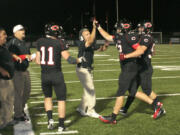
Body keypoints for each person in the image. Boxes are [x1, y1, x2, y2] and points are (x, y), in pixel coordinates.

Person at [95, 20, 163, 124]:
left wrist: (126, 56)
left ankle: (113, 117)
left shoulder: (130, 36)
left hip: (130, 67)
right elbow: (108, 37)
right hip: (128, 67)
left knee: (121, 91)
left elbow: (140, 50)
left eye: (118, 28)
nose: (117, 30)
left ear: (123, 28)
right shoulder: (119, 36)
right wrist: (98, 27)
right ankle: (156, 105)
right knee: (132, 91)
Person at [36, 23, 82, 132]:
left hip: (44, 75)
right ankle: (61, 125)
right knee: (61, 100)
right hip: (56, 75)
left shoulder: (39, 41)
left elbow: (38, 61)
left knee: (48, 97)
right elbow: (69, 59)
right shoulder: (59, 42)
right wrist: (79, 60)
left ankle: (50, 120)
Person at [119, 22, 165, 119]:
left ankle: (158, 107)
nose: (139, 29)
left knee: (146, 89)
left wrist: (126, 56)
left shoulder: (146, 37)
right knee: (132, 89)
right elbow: (153, 52)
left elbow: (141, 50)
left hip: (145, 68)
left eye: (141, 27)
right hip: (140, 67)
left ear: (146, 28)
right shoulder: (146, 37)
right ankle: (125, 108)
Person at [75, 20, 108, 118]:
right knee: (91, 90)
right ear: (82, 37)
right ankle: (90, 110)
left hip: (87, 69)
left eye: (89, 33)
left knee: (87, 90)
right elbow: (90, 41)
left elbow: (100, 49)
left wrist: (106, 45)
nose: (89, 35)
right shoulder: (82, 43)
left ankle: (81, 108)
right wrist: (94, 28)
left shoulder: (89, 43)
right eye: (86, 34)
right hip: (83, 69)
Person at [7, 24, 31, 122]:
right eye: (21, 30)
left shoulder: (24, 43)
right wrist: (22, 56)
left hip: (25, 70)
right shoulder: (12, 42)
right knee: (18, 94)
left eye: (23, 29)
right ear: (15, 32)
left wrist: (30, 57)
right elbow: (10, 54)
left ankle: (20, 110)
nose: (23, 31)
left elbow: (27, 55)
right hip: (17, 71)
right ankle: (18, 115)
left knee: (26, 93)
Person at [0, 27, 15, 129]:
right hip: (1, 79)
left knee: (9, 100)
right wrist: (2, 70)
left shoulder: (3, 46)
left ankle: (8, 119)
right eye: (4, 34)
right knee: (1, 101)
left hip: (8, 79)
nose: (6, 36)